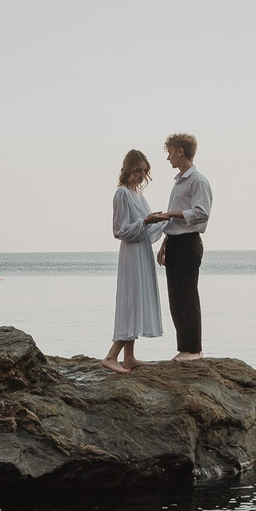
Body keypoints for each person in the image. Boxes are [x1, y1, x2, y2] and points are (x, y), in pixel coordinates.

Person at [145, 132, 210, 360]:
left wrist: (172, 214)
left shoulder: (197, 181)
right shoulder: (179, 181)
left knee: (188, 296)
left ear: (180, 151)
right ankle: (184, 349)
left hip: (188, 244)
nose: (168, 158)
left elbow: (202, 213)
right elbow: (175, 222)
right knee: (176, 299)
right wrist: (165, 241)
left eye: (170, 152)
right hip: (175, 242)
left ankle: (194, 350)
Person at [105, 148, 162, 370]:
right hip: (131, 254)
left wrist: (162, 220)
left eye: (144, 171)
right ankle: (111, 356)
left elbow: (148, 231)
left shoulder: (139, 194)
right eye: (138, 170)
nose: (141, 175)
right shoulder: (122, 194)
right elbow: (119, 230)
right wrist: (145, 222)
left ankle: (129, 357)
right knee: (131, 301)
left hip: (142, 253)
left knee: (138, 300)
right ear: (128, 169)